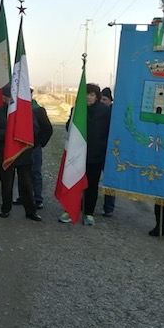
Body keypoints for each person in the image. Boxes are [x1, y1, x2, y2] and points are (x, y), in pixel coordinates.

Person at [59, 83, 111, 225]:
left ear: (97, 97)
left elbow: (108, 132)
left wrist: (102, 146)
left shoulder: (105, 112)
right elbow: (69, 127)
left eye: (92, 95)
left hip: (95, 155)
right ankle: (69, 210)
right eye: (86, 94)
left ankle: (88, 213)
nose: (89, 97)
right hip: (77, 154)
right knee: (74, 182)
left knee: (92, 185)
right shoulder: (76, 109)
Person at [0, 84, 42, 221]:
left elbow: (35, 130)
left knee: (26, 184)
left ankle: (31, 211)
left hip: (23, 154)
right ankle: (5, 209)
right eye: (8, 97)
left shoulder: (26, 112)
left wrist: (21, 134)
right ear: (3, 98)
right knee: (6, 183)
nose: (11, 100)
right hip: (5, 154)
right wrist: (10, 134)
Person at [15, 89, 53, 209]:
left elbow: (47, 129)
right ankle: (23, 196)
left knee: (35, 172)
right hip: (20, 147)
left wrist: (39, 143)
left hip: (34, 147)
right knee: (21, 173)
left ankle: (37, 198)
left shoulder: (38, 110)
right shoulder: (16, 108)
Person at [100, 87, 116, 216]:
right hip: (96, 150)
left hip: (109, 152)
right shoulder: (97, 111)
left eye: (104, 99)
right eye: (100, 99)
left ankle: (109, 207)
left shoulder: (115, 113)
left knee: (110, 181)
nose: (102, 101)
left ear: (110, 100)